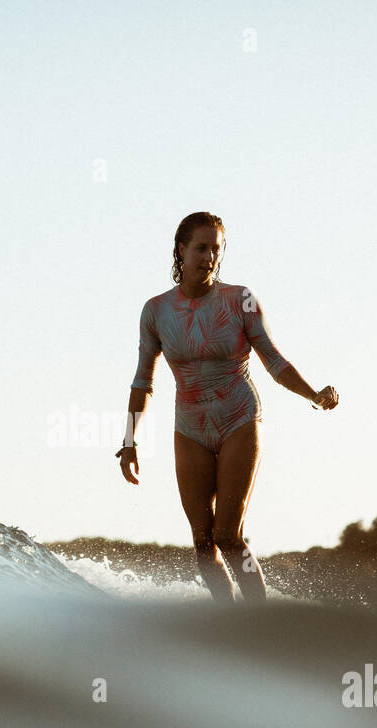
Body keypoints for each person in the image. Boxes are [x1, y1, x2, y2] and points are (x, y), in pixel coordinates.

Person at [116, 212, 338, 603]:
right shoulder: (156, 311)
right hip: (190, 427)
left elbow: (274, 361)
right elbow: (142, 382)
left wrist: (313, 394)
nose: (210, 257)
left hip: (238, 418)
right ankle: (228, 621)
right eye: (201, 248)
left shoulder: (240, 300)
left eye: (216, 249)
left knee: (227, 536)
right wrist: (130, 439)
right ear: (181, 250)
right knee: (203, 543)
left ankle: (258, 618)